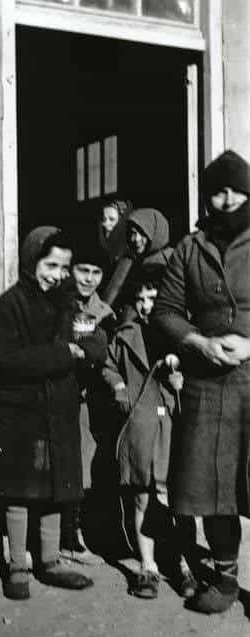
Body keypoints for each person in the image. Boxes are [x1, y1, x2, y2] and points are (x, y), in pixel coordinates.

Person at [153, 149, 250, 614]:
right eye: (218, 190)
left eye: (235, 189)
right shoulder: (190, 248)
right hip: (209, 384)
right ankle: (226, 583)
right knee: (214, 487)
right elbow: (164, 311)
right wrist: (200, 343)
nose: (227, 199)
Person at [0, 227, 107, 600]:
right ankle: (19, 565)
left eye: (64, 267)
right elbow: (6, 360)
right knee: (21, 490)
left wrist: (87, 347)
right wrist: (65, 354)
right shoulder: (6, 306)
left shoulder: (68, 304)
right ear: (31, 261)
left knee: (57, 488)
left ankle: (50, 561)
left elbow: (95, 342)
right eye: (50, 265)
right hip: (21, 412)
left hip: (60, 409)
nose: (57, 274)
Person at [103, 280, 196, 600]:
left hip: (173, 423)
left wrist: (180, 378)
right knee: (142, 494)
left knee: (175, 498)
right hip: (140, 422)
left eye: (152, 297)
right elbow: (108, 365)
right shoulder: (126, 334)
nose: (145, 305)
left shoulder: (183, 334)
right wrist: (118, 387)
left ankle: (183, 564)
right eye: (140, 298)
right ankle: (148, 566)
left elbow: (201, 372)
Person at [59, 239, 114, 566]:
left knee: (85, 467)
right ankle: (62, 536)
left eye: (96, 272)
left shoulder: (104, 310)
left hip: (89, 398)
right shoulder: (60, 303)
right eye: (83, 270)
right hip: (61, 392)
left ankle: (76, 534)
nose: (89, 278)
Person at [101, 207, 172, 317]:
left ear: (155, 231)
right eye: (132, 233)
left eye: (143, 233)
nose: (136, 239)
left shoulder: (171, 259)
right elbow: (109, 300)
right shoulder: (127, 262)